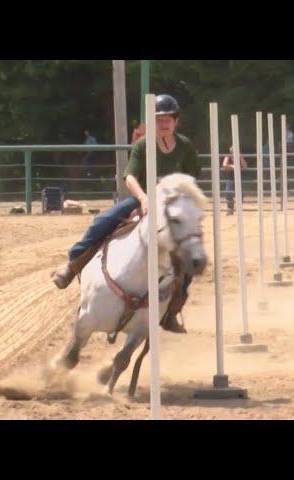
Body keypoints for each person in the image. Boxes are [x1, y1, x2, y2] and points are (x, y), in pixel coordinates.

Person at [51, 94, 201, 334]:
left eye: (167, 119)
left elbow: (192, 177)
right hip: (142, 199)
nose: (163, 124)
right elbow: (130, 176)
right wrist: (143, 198)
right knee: (103, 222)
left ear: (176, 121)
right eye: (158, 119)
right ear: (152, 121)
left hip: (171, 207)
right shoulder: (142, 145)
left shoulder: (185, 146)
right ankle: (73, 266)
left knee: (187, 256)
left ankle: (171, 311)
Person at [222, 146, 248, 215]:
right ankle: (230, 209)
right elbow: (224, 165)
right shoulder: (228, 156)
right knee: (228, 193)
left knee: (240, 194)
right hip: (230, 178)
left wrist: (239, 159)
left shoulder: (240, 156)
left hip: (238, 178)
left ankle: (239, 208)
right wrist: (233, 167)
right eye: (232, 151)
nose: (233, 152)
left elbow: (244, 166)